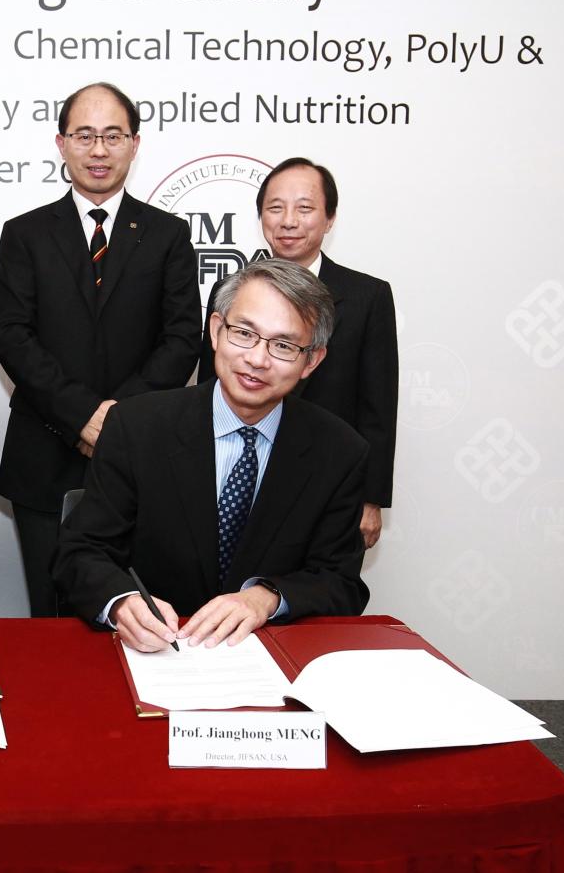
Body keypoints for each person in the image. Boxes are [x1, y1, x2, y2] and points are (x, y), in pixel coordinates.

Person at [56, 259, 370, 652]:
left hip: (266, 658)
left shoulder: (339, 451)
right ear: (216, 331)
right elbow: (82, 551)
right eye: (244, 333)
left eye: (284, 345)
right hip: (154, 651)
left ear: (312, 361)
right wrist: (120, 602)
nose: (258, 358)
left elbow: (341, 582)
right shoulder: (136, 426)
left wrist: (267, 597)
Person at [0, 81, 199, 616]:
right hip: (45, 452)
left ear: (135, 143)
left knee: (136, 614)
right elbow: (14, 338)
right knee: (50, 616)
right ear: (60, 144)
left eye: (113, 135)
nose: (99, 149)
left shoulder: (169, 236)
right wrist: (84, 415)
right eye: (84, 135)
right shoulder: (25, 234)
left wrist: (117, 420)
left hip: (143, 457)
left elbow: (182, 341)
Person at [198, 158, 398, 547]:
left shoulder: (367, 296)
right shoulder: (231, 290)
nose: (288, 221)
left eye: (304, 208)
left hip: (327, 483)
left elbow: (378, 404)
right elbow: (211, 385)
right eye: (275, 208)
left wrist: (370, 498)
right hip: (238, 475)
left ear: (330, 218)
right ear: (260, 217)